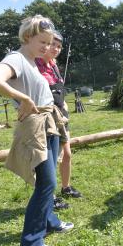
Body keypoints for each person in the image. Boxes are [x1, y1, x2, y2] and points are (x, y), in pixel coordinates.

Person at [0, 15, 73, 246]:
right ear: (27, 38)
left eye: (49, 42)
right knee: (46, 182)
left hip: (49, 124)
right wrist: (22, 98)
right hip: (35, 127)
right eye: (42, 42)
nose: (46, 47)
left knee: (49, 177)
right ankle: (31, 242)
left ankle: (50, 221)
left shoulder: (33, 61)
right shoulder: (17, 59)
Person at [35, 30, 82, 211]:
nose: (55, 48)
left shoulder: (54, 66)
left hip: (61, 115)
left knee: (67, 154)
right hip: (48, 118)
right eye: (52, 44)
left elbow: (59, 91)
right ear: (44, 45)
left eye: (59, 46)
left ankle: (66, 187)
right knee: (51, 159)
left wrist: (65, 107)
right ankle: (50, 196)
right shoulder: (36, 65)